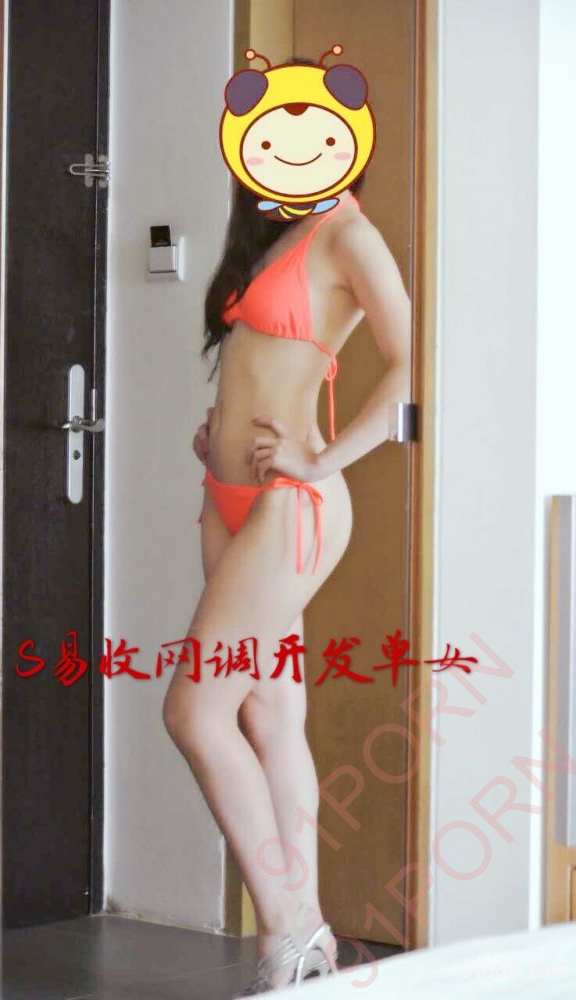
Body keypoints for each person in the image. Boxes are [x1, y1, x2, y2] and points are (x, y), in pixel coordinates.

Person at [162, 170, 411, 992]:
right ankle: (307, 947)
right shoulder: (274, 233)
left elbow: (416, 363)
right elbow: (258, 363)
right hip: (226, 496)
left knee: (195, 712)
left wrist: (323, 457)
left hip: (289, 502)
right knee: (267, 715)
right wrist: (221, 433)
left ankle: (286, 926)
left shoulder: (349, 234)